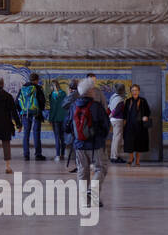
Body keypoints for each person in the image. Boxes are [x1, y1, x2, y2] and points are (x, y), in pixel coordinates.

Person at [64, 77, 110, 208]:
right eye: (93, 89)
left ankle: (86, 200)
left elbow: (66, 127)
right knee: (101, 168)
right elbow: (105, 125)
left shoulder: (73, 106)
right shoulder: (96, 107)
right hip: (95, 145)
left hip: (79, 145)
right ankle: (92, 191)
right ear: (89, 91)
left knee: (82, 171)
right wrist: (101, 138)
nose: (95, 92)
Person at [17, 72, 47, 161]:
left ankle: (26, 155)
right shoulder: (38, 88)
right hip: (36, 114)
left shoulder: (23, 88)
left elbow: (17, 102)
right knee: (36, 133)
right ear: (36, 80)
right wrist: (40, 109)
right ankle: (38, 154)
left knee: (26, 134)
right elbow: (42, 101)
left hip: (25, 114)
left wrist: (22, 110)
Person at [123, 83, 152, 166]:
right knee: (129, 142)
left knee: (139, 142)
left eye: (136, 90)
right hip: (130, 125)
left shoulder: (143, 101)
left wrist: (146, 116)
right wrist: (124, 124)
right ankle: (131, 158)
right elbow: (125, 113)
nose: (134, 92)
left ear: (139, 91)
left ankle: (137, 160)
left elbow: (148, 111)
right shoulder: (128, 101)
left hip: (140, 125)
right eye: (132, 90)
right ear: (131, 92)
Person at [49, 78, 70, 169]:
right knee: (62, 136)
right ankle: (62, 154)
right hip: (63, 118)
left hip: (56, 119)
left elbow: (53, 109)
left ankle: (57, 155)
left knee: (57, 137)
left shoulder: (53, 95)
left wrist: (50, 118)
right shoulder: (64, 93)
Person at [108, 83, 127, 164]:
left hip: (113, 120)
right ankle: (115, 157)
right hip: (118, 120)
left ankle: (113, 156)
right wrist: (111, 115)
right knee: (117, 139)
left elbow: (109, 107)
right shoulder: (119, 99)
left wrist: (110, 116)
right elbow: (116, 111)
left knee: (115, 138)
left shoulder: (113, 96)